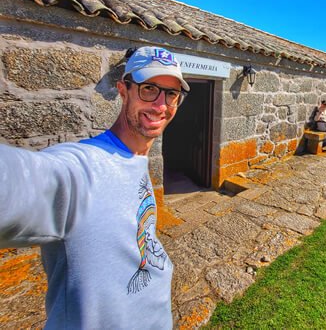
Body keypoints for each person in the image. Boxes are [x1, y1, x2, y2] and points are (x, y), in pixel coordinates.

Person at [0, 46, 190, 329]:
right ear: (123, 90)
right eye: (148, 88)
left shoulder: (136, 159)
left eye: (171, 94)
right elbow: (22, 181)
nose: (161, 105)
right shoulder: (82, 167)